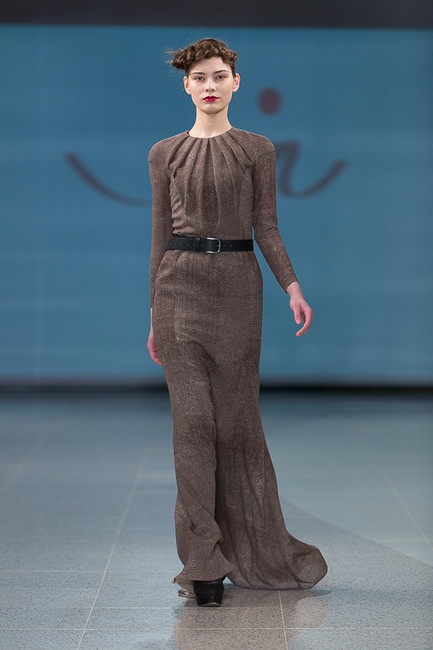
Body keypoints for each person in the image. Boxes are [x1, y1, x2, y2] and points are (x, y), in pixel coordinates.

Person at [147, 37, 327, 607]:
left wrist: (292, 286)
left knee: (234, 426)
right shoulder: (164, 153)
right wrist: (153, 312)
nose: (209, 86)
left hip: (239, 293)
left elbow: (266, 224)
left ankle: (250, 545)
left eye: (219, 76)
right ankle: (202, 562)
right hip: (177, 290)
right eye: (199, 77)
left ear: (235, 82)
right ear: (186, 86)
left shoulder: (256, 149)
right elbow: (159, 235)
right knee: (192, 425)